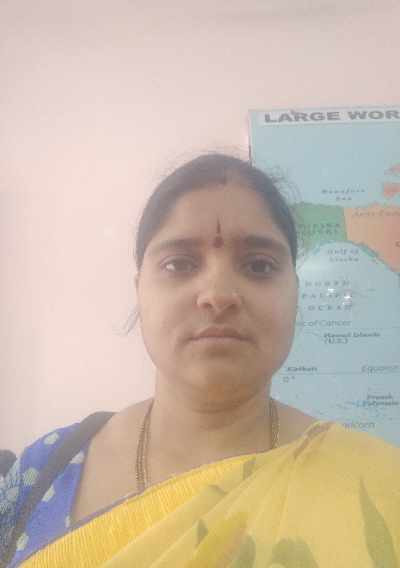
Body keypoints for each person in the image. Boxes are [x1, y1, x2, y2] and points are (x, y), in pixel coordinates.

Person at [1, 153, 399, 567]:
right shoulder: (44, 470)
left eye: (259, 265)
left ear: (294, 293)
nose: (218, 294)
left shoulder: (380, 487)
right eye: (179, 264)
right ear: (140, 290)